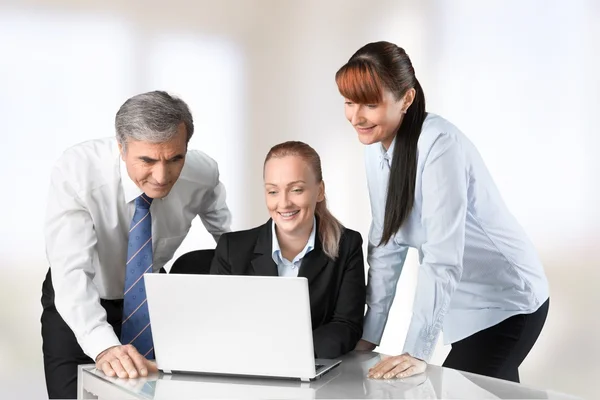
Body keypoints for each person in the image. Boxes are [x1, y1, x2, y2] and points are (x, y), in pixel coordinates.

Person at [334, 41, 549, 382]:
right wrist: (369, 334)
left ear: (406, 99)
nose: (356, 117)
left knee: (457, 391)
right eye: (349, 102)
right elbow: (387, 243)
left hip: (507, 301)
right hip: (460, 306)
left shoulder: (439, 145)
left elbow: (442, 255)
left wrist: (416, 350)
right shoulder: (376, 147)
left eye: (370, 104)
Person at [41, 90, 232, 399]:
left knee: (154, 396)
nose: (161, 175)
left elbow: (230, 238)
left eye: (175, 159)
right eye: (147, 160)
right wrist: (104, 346)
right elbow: (71, 272)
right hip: (80, 300)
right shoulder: (77, 172)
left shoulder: (203, 174)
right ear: (121, 147)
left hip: (151, 302)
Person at [210, 141, 366, 359]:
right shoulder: (231, 248)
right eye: (273, 191)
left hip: (313, 372)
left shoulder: (347, 244)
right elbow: (219, 325)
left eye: (296, 190)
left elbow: (346, 326)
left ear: (319, 191)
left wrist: (287, 355)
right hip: (248, 371)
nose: (283, 203)